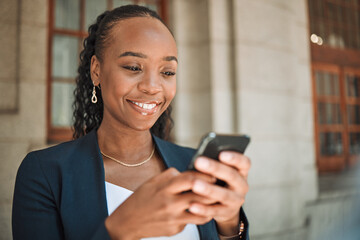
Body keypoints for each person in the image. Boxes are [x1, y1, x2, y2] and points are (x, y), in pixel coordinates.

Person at [12, 5, 251, 240]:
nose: (152, 86)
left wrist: (229, 223)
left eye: (167, 72)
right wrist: (120, 230)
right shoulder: (45, 173)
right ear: (96, 70)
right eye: (134, 67)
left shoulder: (192, 166)